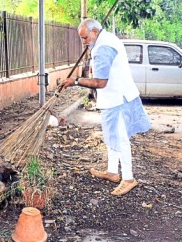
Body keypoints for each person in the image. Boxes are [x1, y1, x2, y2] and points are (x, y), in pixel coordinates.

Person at [60, 18, 151, 196]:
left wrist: (75, 81)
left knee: (121, 138)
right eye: (82, 38)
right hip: (114, 98)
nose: (83, 42)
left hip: (118, 100)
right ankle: (112, 172)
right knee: (112, 136)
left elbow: (100, 82)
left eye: (85, 38)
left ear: (94, 32)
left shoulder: (103, 49)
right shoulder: (107, 38)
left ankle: (128, 178)